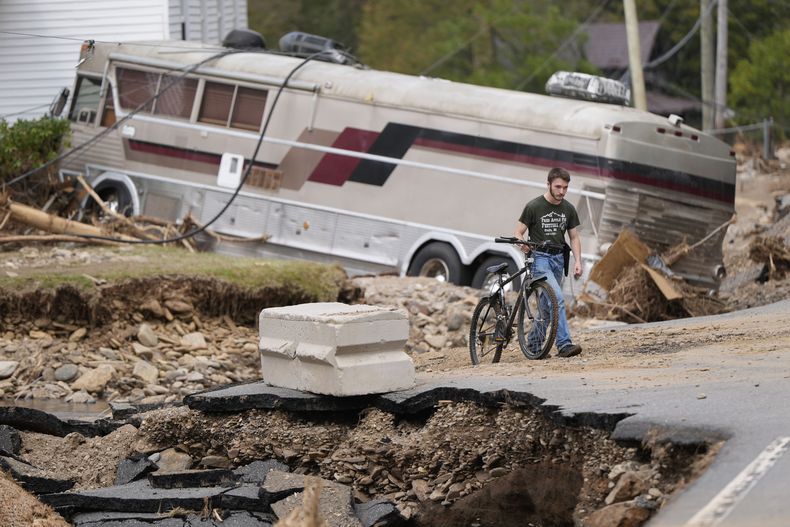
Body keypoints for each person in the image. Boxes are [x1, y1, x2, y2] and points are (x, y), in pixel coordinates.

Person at [514, 167, 583, 358]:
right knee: (557, 298)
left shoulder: (568, 208)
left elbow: (574, 237)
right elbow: (518, 231)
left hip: (558, 259)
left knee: (546, 307)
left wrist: (578, 261)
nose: (562, 191)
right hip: (540, 259)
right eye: (558, 187)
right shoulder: (534, 206)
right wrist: (523, 244)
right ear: (549, 184)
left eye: (565, 188)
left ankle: (534, 347)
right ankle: (564, 345)